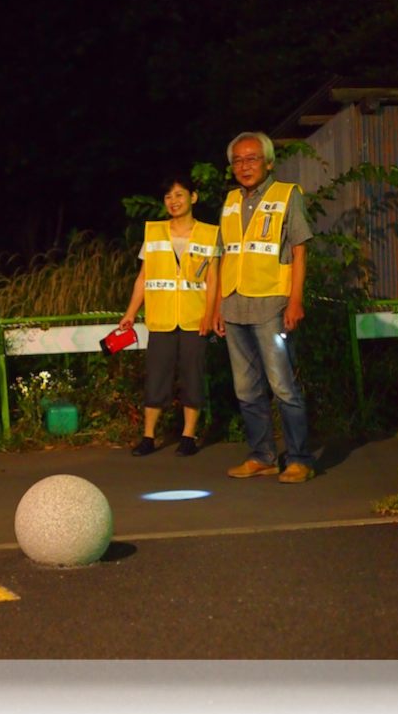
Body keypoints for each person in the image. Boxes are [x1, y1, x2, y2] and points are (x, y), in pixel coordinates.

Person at [213, 131, 315, 483]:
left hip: (272, 303)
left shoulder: (287, 195)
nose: (245, 166)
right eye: (238, 160)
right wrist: (216, 308)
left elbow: (300, 249)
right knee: (246, 388)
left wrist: (296, 299)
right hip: (234, 305)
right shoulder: (229, 202)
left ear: (268, 162)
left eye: (252, 158)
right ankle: (263, 456)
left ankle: (300, 459)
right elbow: (222, 256)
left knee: (283, 385)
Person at [119, 173, 220, 457]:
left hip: (194, 317)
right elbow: (143, 277)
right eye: (168, 196)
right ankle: (148, 436)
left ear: (193, 197)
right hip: (161, 317)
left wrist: (209, 314)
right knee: (157, 377)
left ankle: (189, 436)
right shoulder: (153, 233)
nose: (173, 201)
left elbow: (214, 280)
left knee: (193, 374)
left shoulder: (210, 233)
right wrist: (130, 314)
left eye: (179, 195)